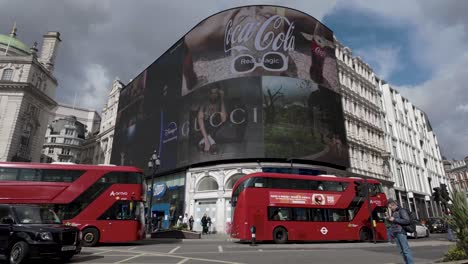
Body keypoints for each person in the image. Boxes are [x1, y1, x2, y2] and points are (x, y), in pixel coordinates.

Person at [197, 87, 227, 154]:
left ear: (218, 93)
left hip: (213, 126)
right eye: (212, 93)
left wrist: (222, 98)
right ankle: (212, 143)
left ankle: (201, 143)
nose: (214, 95)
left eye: (215, 93)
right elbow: (200, 119)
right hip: (202, 126)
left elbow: (224, 118)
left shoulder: (220, 102)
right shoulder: (204, 101)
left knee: (219, 121)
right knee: (208, 121)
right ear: (209, 93)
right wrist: (207, 140)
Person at [387, 198, 414, 264]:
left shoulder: (402, 211)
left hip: (401, 232)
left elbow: (407, 221)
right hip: (396, 232)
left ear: (393, 205)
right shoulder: (394, 212)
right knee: (401, 251)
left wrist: (395, 219)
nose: (390, 208)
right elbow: (394, 223)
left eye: (390, 207)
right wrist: (388, 218)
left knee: (405, 250)